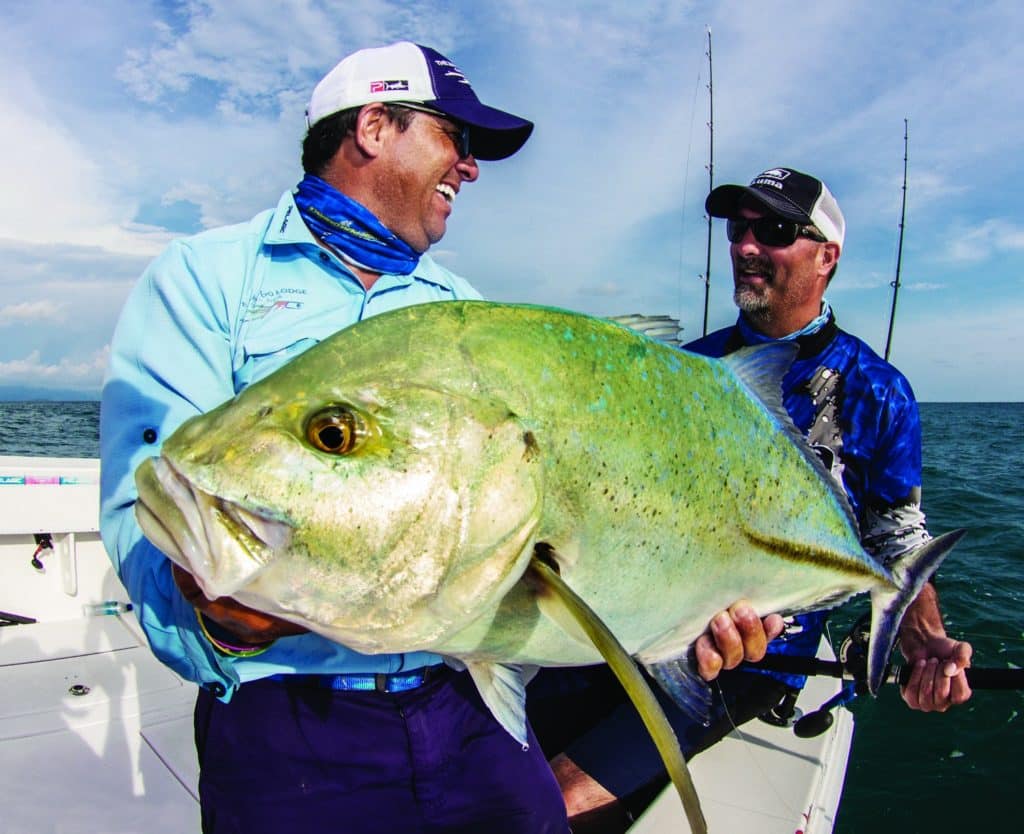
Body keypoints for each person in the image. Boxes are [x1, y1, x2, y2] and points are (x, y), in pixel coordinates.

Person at [99, 41, 571, 834]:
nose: (472, 167)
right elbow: (144, 505)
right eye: (456, 136)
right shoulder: (207, 278)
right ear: (376, 126)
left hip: (466, 702)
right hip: (287, 717)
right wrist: (222, 621)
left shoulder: (465, 309)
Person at [530, 166, 974, 832]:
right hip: (639, 619)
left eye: (775, 230)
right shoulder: (689, 369)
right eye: (740, 228)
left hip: (759, 651)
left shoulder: (878, 390)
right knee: (489, 764)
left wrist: (925, 641)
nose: (745, 245)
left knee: (554, 803)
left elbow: (897, 538)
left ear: (827, 257)